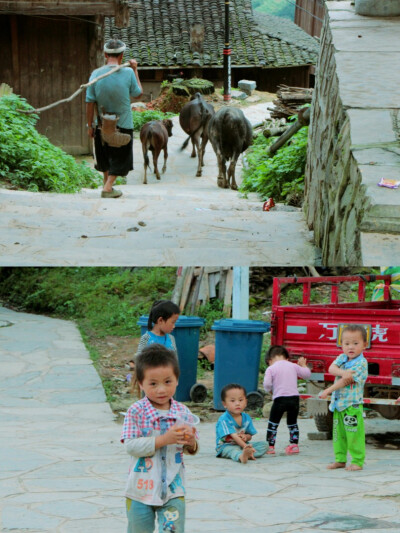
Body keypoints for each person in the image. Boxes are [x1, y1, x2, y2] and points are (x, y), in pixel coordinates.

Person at [121, 344, 199, 533]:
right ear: (141, 383)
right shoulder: (136, 412)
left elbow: (193, 448)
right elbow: (131, 446)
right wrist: (165, 439)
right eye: (153, 383)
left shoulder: (182, 412)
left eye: (167, 381)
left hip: (173, 489)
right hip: (140, 490)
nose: (161, 389)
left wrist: (190, 441)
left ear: (177, 380)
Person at [86, 38, 143, 199]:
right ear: (122, 55)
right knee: (121, 156)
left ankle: (106, 184)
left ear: (105, 54)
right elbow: (138, 93)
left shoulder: (95, 74)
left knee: (104, 154)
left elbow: (89, 102)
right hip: (123, 124)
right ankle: (108, 187)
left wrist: (89, 125)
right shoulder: (128, 72)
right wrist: (135, 70)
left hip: (101, 124)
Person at [319, 324, 368, 471]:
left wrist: (328, 390)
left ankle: (357, 461)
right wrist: (343, 372)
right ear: (341, 345)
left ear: (364, 345)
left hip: (351, 405)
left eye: (355, 343)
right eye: (346, 344)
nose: (350, 347)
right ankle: (340, 459)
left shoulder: (361, 363)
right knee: (338, 434)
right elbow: (331, 368)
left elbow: (345, 381)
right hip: (339, 404)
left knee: (354, 435)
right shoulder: (342, 358)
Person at [263, 345, 311, 455]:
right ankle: (294, 445)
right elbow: (307, 375)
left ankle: (270, 447)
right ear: (287, 358)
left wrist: (270, 390)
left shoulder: (271, 368)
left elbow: (267, 384)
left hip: (279, 399)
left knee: (273, 423)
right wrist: (303, 365)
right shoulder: (293, 366)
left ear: (269, 360)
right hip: (294, 399)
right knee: (292, 422)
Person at [216, 383, 267, 463]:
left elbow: (250, 435)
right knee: (232, 450)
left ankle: (248, 453)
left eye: (240, 400)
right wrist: (245, 446)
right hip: (226, 446)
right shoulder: (224, 419)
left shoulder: (247, 418)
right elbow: (234, 436)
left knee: (264, 445)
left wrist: (246, 437)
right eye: (232, 401)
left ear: (246, 402)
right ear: (225, 404)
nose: (237, 403)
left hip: (242, 445)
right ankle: (241, 456)